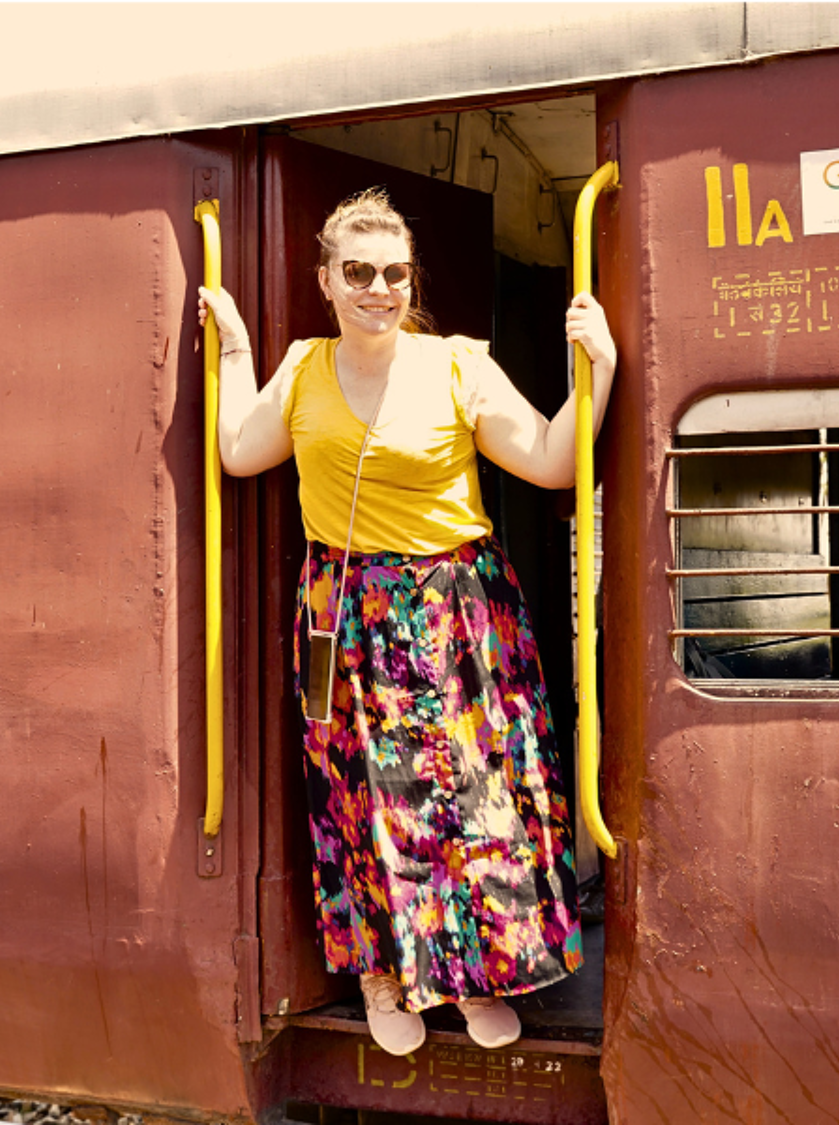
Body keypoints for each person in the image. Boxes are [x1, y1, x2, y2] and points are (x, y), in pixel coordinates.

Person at [197, 189, 617, 1056]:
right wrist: (236, 345)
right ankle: (384, 977)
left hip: (455, 607)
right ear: (326, 279)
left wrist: (599, 369)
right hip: (345, 614)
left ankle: (472, 978)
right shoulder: (305, 368)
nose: (378, 288)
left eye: (394, 272)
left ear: (410, 279)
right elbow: (240, 449)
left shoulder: (458, 364)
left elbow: (547, 459)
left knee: (472, 794)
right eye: (358, 271)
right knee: (365, 799)